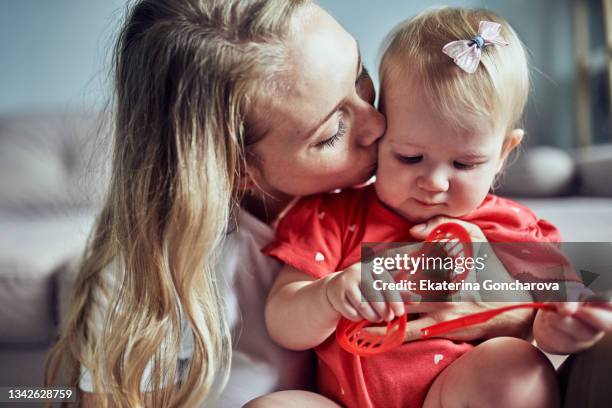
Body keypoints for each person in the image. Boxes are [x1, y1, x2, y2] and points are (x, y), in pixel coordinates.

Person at [41, 1, 547, 407]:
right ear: (235, 168)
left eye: (360, 77)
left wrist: (510, 308)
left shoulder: (377, 199)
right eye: (331, 134)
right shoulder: (155, 276)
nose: (377, 123)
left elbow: (590, 277)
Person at [259, 7, 612, 408]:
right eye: (410, 157)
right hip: (343, 402)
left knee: (517, 365)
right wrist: (327, 294)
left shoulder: (514, 227)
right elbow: (282, 322)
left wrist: (559, 326)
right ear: (380, 132)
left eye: (465, 164)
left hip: (452, 395)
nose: (435, 183)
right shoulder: (335, 216)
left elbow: (549, 318)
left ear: (502, 154)